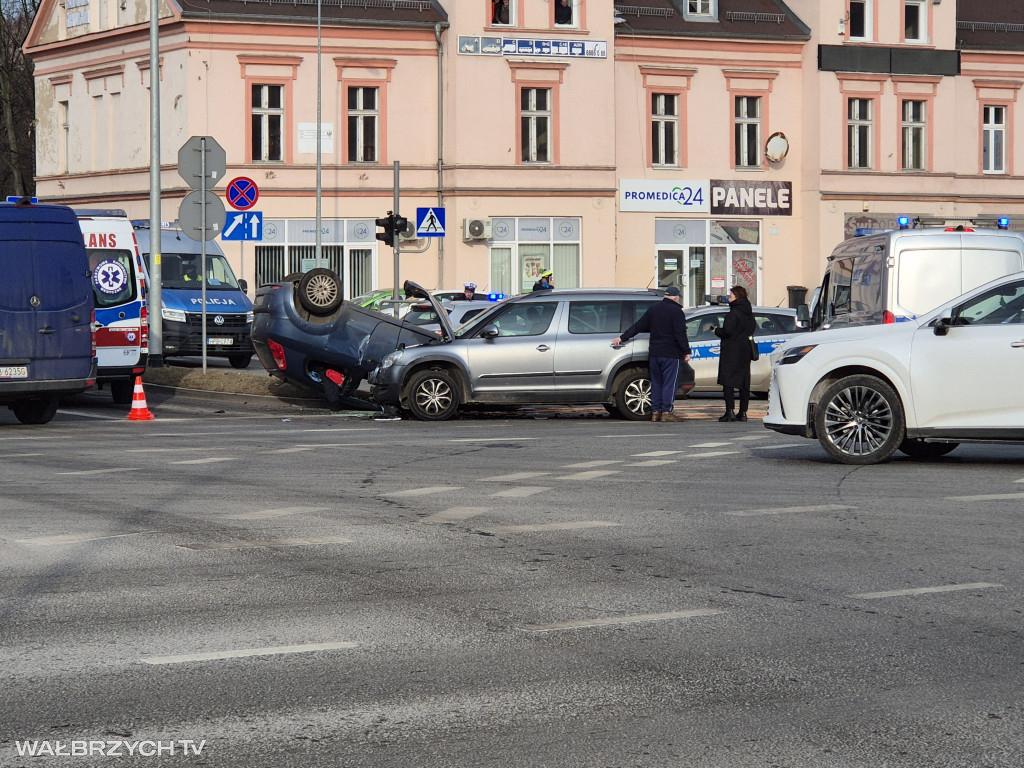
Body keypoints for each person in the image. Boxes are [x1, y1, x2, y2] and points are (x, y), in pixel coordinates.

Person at [612, 285, 692, 422]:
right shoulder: (677, 312)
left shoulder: (653, 309)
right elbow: (680, 334)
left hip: (655, 353)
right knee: (669, 383)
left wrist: (622, 338)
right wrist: (686, 351)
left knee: (656, 382)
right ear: (676, 298)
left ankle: (655, 412)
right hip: (671, 353)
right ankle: (667, 412)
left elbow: (638, 326)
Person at [710, 285, 756, 422]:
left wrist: (716, 331)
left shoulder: (733, 314)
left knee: (728, 381)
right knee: (744, 382)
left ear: (737, 297)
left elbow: (728, 331)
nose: (729, 299)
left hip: (731, 350)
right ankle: (743, 412)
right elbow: (752, 329)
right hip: (745, 350)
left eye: (731, 297)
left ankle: (729, 411)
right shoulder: (749, 313)